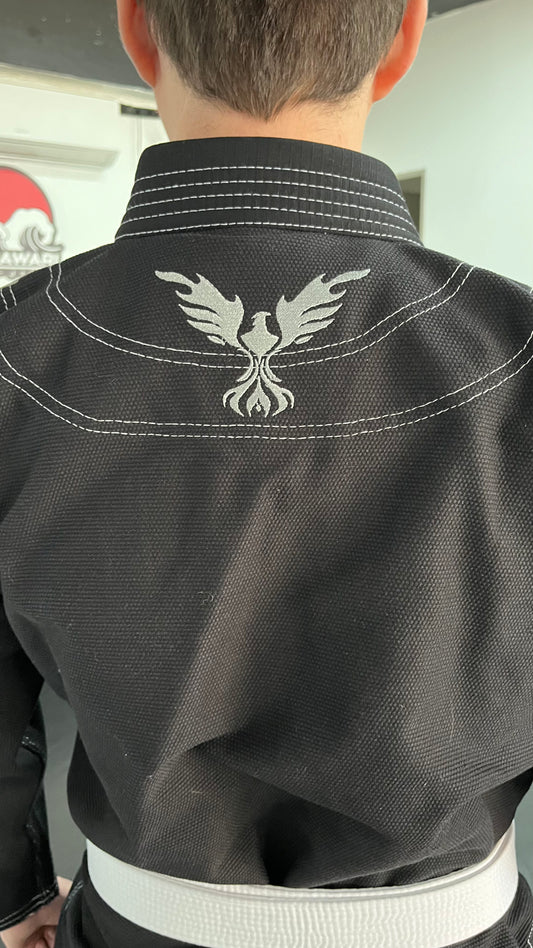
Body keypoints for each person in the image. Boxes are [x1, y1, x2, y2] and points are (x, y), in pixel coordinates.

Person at [1, 0, 533, 945]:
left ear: (137, 29)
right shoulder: (515, 352)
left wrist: (14, 893)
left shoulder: (19, 352)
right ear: (405, 37)